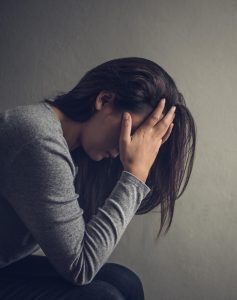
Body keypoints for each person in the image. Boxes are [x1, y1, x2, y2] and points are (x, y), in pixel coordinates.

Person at [0, 57, 196, 299]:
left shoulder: (72, 150)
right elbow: (80, 267)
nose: (128, 148)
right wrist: (135, 174)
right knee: (102, 296)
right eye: (133, 133)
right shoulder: (38, 138)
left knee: (124, 280)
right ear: (104, 100)